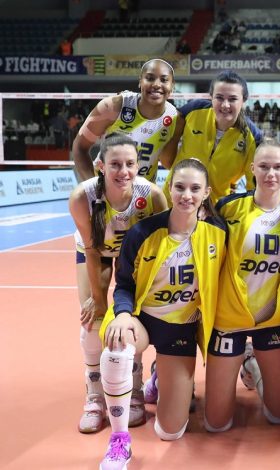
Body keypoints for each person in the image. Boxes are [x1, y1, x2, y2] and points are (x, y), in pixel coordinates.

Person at [96, 158, 226, 469]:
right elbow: (124, 284)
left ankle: (157, 377)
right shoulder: (143, 232)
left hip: (181, 328)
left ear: (206, 193)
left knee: (170, 432)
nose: (186, 195)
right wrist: (123, 314)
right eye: (179, 187)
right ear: (169, 188)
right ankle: (119, 440)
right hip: (143, 319)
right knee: (117, 347)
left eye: (195, 189)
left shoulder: (218, 234)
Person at [203, 141, 280, 433]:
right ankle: (245, 359)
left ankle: (251, 364)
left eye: (277, 167)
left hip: (272, 321)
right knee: (216, 424)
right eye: (263, 167)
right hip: (228, 320)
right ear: (252, 169)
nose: (270, 174)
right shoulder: (229, 207)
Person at [69, 133, 167, 435]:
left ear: (138, 166)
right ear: (100, 165)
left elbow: (161, 244)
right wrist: (99, 300)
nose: (123, 171)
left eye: (129, 164)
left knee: (133, 318)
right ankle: (94, 398)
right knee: (93, 320)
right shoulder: (82, 197)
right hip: (96, 251)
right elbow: (92, 250)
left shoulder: (151, 195)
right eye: (115, 164)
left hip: (135, 257)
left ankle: (134, 388)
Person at [160, 70, 263, 205]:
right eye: (219, 98)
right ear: (211, 97)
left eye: (232, 99)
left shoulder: (253, 137)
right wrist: (169, 161)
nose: (225, 105)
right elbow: (168, 136)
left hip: (214, 210)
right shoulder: (193, 110)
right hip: (172, 202)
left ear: (243, 101)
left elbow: (254, 188)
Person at [72, 59, 178, 183]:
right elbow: (79, 147)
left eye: (164, 80)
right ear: (140, 81)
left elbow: (169, 162)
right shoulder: (114, 106)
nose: (156, 84)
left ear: (172, 86)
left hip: (143, 192)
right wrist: (94, 188)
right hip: (105, 187)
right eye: (150, 78)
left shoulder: (175, 118)